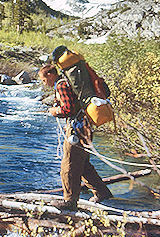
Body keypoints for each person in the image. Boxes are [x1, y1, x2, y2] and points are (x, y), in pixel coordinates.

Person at [38, 63, 112, 211]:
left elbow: (68, 108)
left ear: (50, 75)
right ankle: (102, 193)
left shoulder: (61, 85)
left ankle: (70, 201)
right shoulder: (66, 83)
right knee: (83, 164)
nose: (43, 83)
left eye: (43, 79)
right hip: (85, 127)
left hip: (77, 130)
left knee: (69, 166)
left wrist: (55, 111)